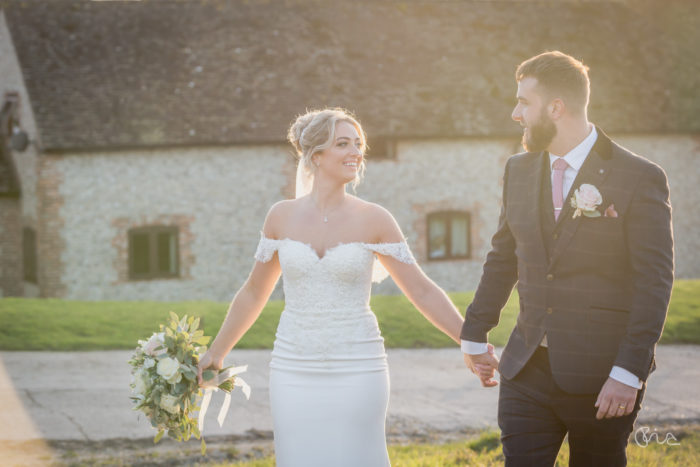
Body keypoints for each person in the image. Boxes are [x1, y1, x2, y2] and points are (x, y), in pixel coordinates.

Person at [197, 108, 480, 467]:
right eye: (343, 144)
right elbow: (254, 292)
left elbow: (421, 290)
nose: (356, 152)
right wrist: (216, 353)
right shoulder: (280, 216)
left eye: (358, 144)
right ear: (315, 156)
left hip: (359, 364)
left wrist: (469, 342)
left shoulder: (375, 218)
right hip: (293, 365)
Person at [461, 51, 674, 466]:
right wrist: (474, 333)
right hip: (525, 369)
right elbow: (504, 256)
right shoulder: (518, 169)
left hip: (602, 376)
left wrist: (628, 372)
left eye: (524, 102)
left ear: (556, 108)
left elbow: (654, 282)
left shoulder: (639, 177)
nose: (515, 113)